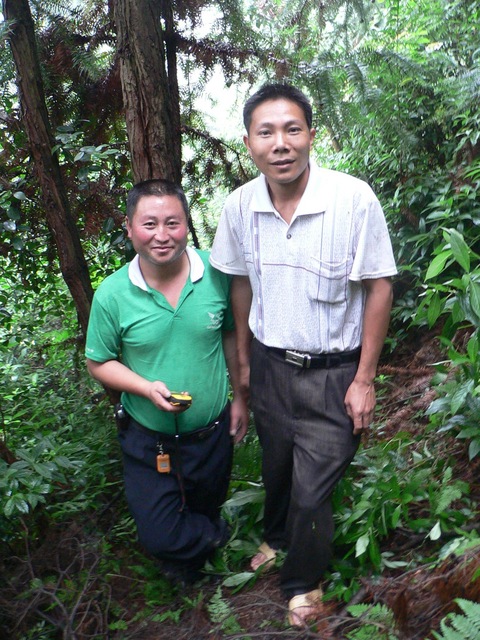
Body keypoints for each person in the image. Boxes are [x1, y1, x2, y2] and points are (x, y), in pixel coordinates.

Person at [209, 83, 397, 626]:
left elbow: (379, 286)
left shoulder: (352, 199)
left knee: (314, 487)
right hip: (269, 363)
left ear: (311, 135)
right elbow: (240, 284)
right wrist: (243, 364)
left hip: (333, 369)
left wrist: (365, 378)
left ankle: (302, 583)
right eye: (266, 132)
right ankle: (274, 535)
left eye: (292, 129)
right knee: (277, 464)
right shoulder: (240, 205)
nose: (281, 143)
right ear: (248, 143)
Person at [85, 179, 248, 585]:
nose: (162, 235)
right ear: (128, 227)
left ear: (187, 224)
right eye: (150, 224)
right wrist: (145, 387)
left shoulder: (216, 273)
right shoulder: (113, 294)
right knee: (161, 534)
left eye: (173, 223)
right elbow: (98, 361)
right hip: (148, 438)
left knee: (204, 508)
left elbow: (231, 334)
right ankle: (219, 540)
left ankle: (192, 572)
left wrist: (241, 398)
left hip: (211, 433)